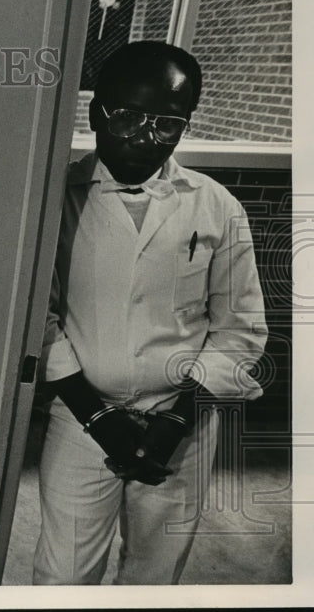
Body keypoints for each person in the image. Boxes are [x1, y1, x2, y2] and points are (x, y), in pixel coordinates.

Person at [34, 41, 267, 584]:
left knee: (154, 574)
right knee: (63, 575)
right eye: (128, 117)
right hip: (82, 418)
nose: (145, 136)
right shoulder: (53, 200)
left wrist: (177, 418)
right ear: (96, 114)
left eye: (167, 122)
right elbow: (37, 320)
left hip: (183, 422)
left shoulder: (216, 206)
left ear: (185, 125)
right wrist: (96, 416)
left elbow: (240, 326)